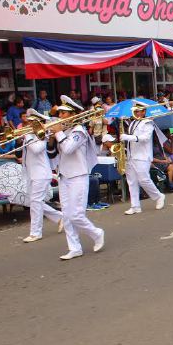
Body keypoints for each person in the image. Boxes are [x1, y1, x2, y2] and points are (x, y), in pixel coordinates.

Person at [46, 95, 105, 260]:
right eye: (60, 113)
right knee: (66, 215)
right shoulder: (62, 132)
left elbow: (68, 148)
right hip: (64, 175)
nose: (60, 116)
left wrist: (57, 133)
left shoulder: (79, 131)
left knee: (76, 214)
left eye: (64, 113)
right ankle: (74, 247)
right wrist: (51, 139)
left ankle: (96, 233)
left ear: (73, 115)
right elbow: (52, 154)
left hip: (78, 175)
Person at [21, 109, 64, 243]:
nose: (28, 125)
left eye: (31, 122)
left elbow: (36, 149)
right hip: (33, 174)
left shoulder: (42, 135)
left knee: (35, 202)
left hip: (41, 174)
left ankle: (35, 232)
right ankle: (59, 217)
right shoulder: (31, 135)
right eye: (28, 122)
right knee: (35, 202)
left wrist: (27, 137)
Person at [119, 101, 166, 214]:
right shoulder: (131, 123)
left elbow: (145, 138)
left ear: (144, 111)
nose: (136, 113)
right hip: (131, 155)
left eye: (139, 111)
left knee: (144, 179)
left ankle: (158, 196)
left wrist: (128, 137)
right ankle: (135, 206)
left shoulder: (148, 123)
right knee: (132, 181)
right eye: (135, 111)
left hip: (142, 155)